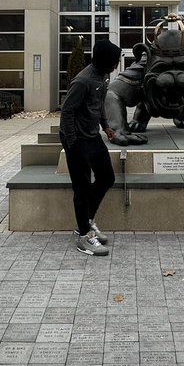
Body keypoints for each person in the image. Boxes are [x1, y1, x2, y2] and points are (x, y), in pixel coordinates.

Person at [59, 38, 122, 256]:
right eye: (113, 63)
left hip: (92, 135)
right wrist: (73, 143)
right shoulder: (82, 81)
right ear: (104, 61)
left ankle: (87, 220)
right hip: (75, 138)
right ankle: (84, 237)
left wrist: (105, 126)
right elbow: (66, 112)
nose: (115, 67)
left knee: (107, 177)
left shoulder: (103, 77)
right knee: (82, 187)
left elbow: (99, 103)